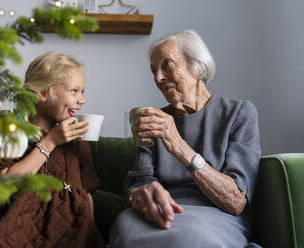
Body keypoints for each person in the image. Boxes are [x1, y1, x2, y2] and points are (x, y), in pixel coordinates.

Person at [109, 30, 261, 248]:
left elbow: (236, 201)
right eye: (154, 71)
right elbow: (141, 181)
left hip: (215, 215)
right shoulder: (156, 120)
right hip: (160, 212)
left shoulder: (238, 113)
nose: (158, 78)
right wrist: (141, 195)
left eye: (167, 64)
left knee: (190, 237)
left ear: (198, 67)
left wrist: (177, 144)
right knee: (125, 227)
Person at [0, 51, 105, 248]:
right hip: (15, 235)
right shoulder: (7, 127)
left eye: (82, 92)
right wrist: (50, 141)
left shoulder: (76, 139)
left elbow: (86, 197)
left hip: (71, 235)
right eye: (74, 91)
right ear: (43, 93)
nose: (82, 100)